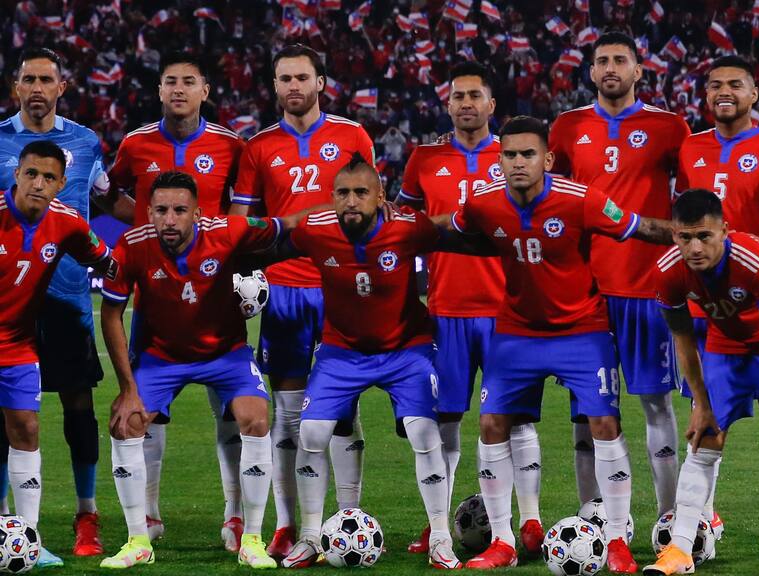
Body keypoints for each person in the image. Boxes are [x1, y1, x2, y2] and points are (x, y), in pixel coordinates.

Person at [438, 115, 673, 572]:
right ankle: (503, 542)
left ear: (547, 158)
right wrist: (388, 225)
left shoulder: (581, 199)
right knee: (491, 424)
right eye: (510, 154)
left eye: (528, 154)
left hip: (581, 329)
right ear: (499, 159)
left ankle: (617, 539)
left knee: (604, 423)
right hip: (517, 330)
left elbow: (639, 227)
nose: (519, 162)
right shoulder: (484, 204)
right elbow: (445, 227)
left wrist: (696, 234)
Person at [272, 154, 489, 570]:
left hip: (406, 349)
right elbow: (269, 245)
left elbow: (456, 238)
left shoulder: (406, 226)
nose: (351, 201)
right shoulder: (317, 230)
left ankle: (440, 538)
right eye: (342, 193)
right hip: (341, 352)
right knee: (313, 433)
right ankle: (311, 536)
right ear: (331, 197)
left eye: (360, 193)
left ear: (380, 196)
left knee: (425, 432)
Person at [99, 171, 301, 569]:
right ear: (150, 212)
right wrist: (127, 388)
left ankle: (254, 540)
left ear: (197, 212)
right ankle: (138, 539)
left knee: (256, 419)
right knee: (126, 423)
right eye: (160, 210)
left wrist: (342, 210)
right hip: (162, 357)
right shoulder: (131, 245)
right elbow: (111, 316)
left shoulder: (226, 231)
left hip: (225, 354)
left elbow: (288, 223)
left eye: (179, 210)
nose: (169, 219)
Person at [231, 43, 374, 559]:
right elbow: (242, 222)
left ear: (320, 83)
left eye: (302, 77)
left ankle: (349, 517)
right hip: (286, 289)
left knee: (344, 408)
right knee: (289, 411)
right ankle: (290, 526)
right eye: (284, 78)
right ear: (275, 86)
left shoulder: (352, 136)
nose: (293, 86)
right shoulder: (258, 147)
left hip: (339, 284)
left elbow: (370, 205)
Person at [398, 61, 542, 555]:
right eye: (457, 95)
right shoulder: (423, 159)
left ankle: (530, 522)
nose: (465, 103)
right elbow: (406, 229)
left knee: (515, 419)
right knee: (445, 419)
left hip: (508, 311)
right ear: (448, 103)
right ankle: (437, 522)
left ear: (491, 104)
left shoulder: (517, 156)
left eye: (474, 95)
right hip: (446, 309)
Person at [107, 52, 246, 551]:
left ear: (206, 90)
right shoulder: (136, 143)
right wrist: (142, 229)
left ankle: (235, 516)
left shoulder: (231, 145)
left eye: (189, 81)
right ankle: (149, 512)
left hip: (216, 295)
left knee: (231, 410)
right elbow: (108, 193)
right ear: (159, 90)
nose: (179, 89)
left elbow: (241, 212)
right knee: (149, 411)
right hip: (155, 298)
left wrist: (225, 251)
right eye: (171, 82)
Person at [549, 31, 691, 516]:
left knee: (655, 403)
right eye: (601, 61)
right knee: (585, 413)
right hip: (585, 291)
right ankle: (593, 518)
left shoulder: (670, 126)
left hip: (648, 289)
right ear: (590, 71)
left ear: (638, 70)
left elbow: (692, 204)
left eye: (620, 60)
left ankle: (669, 515)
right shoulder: (567, 128)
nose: (610, 68)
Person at [0, 47, 112, 562]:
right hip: (7, 304)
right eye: (29, 79)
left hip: (67, 297)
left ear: (61, 87)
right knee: (11, 421)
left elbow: (104, 201)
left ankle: (85, 514)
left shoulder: (86, 142)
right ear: (16, 86)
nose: (38, 87)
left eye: (47, 78)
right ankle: (11, 528)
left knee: (78, 409)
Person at [645, 189, 759, 575]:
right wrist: (701, 405)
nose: (694, 247)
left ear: (725, 231)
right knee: (705, 438)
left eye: (704, 236)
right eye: (685, 237)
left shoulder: (758, 262)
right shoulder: (667, 273)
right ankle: (679, 549)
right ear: (674, 235)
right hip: (724, 347)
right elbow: (684, 342)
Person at [675, 54, 759, 539]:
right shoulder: (689, 147)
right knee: (704, 421)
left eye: (735, 84)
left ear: (755, 94)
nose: (724, 91)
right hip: (703, 307)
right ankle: (699, 528)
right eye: (715, 85)